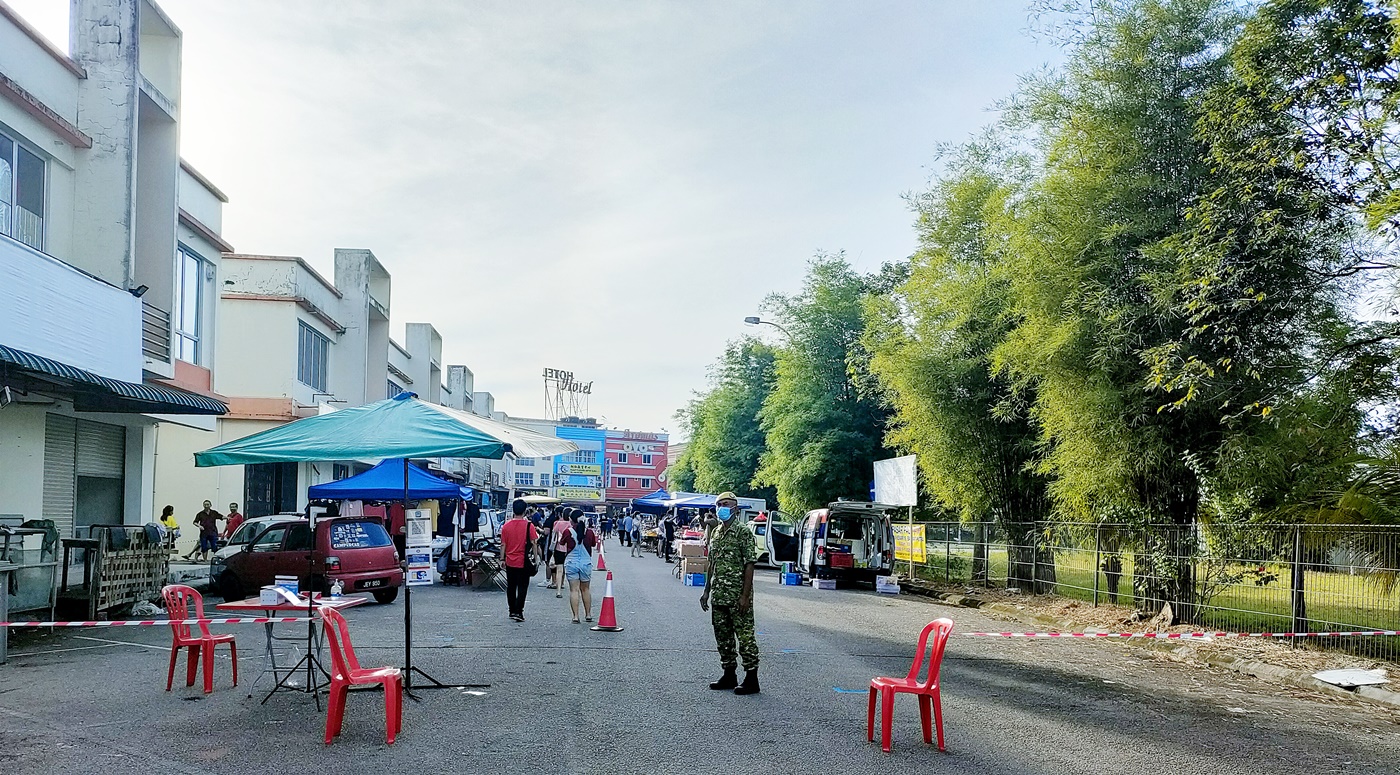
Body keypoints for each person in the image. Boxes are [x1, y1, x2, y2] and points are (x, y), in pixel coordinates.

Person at [700, 492, 759, 695]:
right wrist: (706, 591)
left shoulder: (743, 532)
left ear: (735, 507)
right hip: (719, 595)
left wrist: (744, 596)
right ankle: (729, 674)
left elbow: (749, 564)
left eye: (725, 504)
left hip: (737, 596)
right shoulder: (716, 532)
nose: (721, 508)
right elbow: (712, 564)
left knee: (745, 637)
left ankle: (751, 678)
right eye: (718, 504)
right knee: (723, 637)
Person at [499, 499, 540, 622]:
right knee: (522, 586)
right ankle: (519, 611)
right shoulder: (529, 526)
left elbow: (503, 545)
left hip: (510, 561)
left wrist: (502, 559)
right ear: (525, 511)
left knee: (511, 586)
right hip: (524, 562)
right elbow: (534, 543)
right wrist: (536, 557)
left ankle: (512, 610)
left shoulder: (506, 526)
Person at [561, 511, 598, 623]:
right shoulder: (590, 532)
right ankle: (588, 614)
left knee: (574, 590)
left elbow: (562, 543)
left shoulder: (568, 531)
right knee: (585, 589)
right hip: (586, 563)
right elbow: (593, 544)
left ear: (571, 520)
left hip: (572, 562)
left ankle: (576, 616)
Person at [550, 508, 574, 597]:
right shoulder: (572, 525)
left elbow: (554, 533)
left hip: (559, 548)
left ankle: (558, 591)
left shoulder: (558, 523)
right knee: (570, 570)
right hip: (570, 549)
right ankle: (574, 590)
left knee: (559, 570)